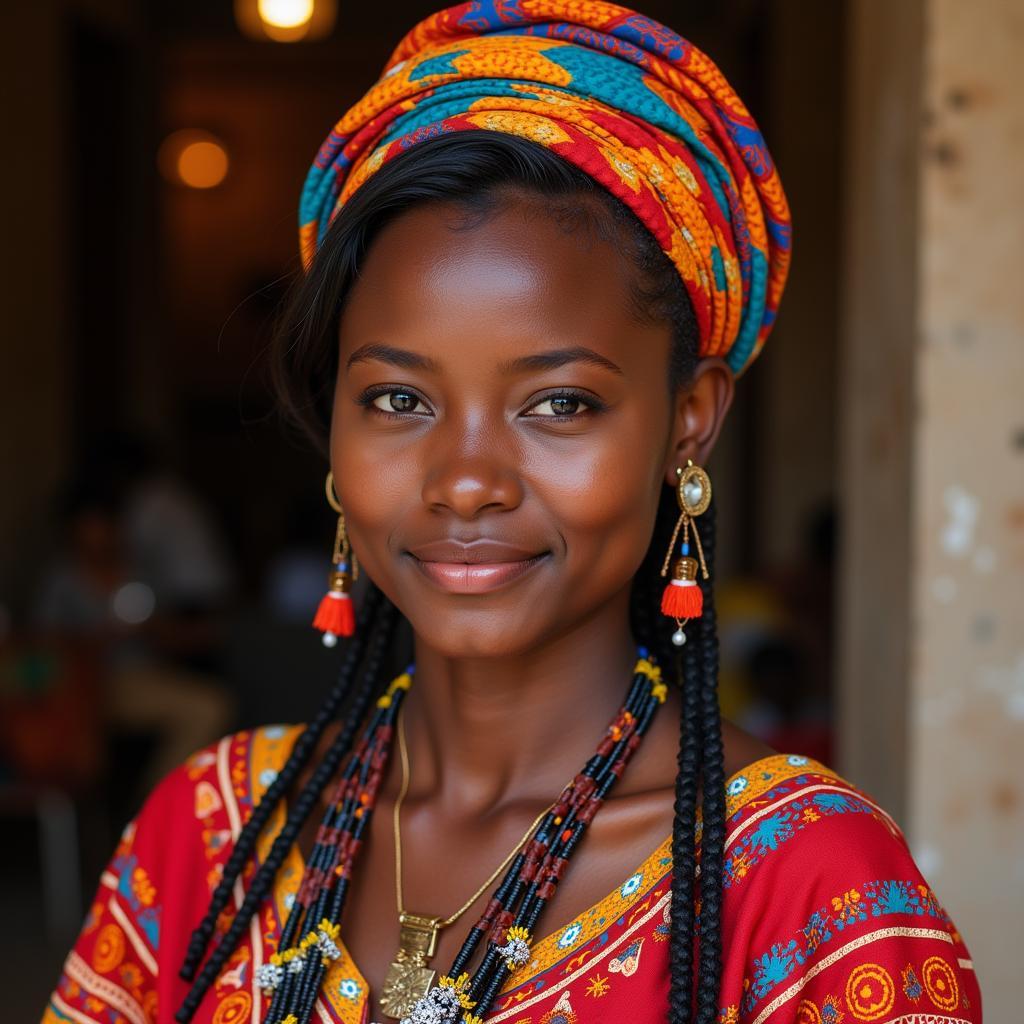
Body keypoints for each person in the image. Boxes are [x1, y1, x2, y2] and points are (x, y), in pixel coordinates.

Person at [42, 3, 981, 1023]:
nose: (464, 479)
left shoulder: (812, 894)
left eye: (557, 403)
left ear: (687, 421)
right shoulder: (213, 831)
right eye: (398, 400)